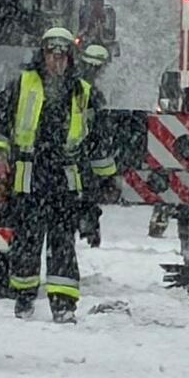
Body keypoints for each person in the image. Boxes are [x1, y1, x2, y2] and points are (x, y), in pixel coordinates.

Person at [0, 27, 115, 321]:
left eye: (62, 55)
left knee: (62, 243)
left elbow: (97, 141)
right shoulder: (22, 85)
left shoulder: (83, 92)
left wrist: (106, 179)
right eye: (51, 53)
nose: (56, 60)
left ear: (70, 58)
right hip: (29, 175)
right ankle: (23, 297)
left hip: (65, 178)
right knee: (27, 241)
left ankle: (63, 304)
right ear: (42, 55)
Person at [77, 44, 115, 248]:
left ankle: (87, 223)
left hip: (68, 159)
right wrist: (107, 176)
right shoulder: (91, 95)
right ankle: (88, 224)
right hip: (81, 158)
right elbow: (98, 137)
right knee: (86, 196)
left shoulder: (72, 86)